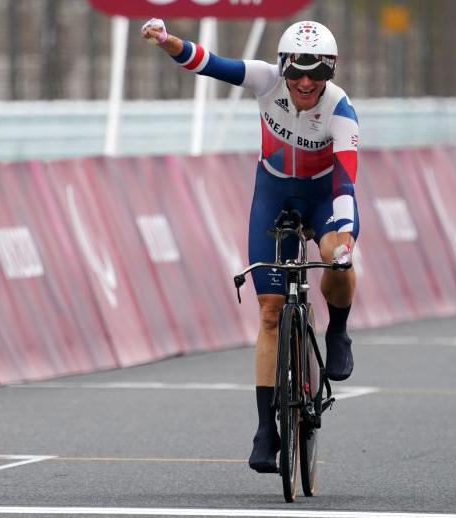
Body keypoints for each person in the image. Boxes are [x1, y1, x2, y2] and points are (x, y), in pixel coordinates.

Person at [141, 18, 360, 474]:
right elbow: (210, 64)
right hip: (274, 194)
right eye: (297, 71)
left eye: (317, 73)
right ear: (282, 67)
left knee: (337, 263)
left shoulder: (341, 111)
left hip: (322, 199)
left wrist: (343, 237)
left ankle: (338, 330)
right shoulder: (266, 80)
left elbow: (345, 183)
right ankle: (266, 429)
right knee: (269, 310)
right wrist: (167, 42)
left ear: (331, 73)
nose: (305, 82)